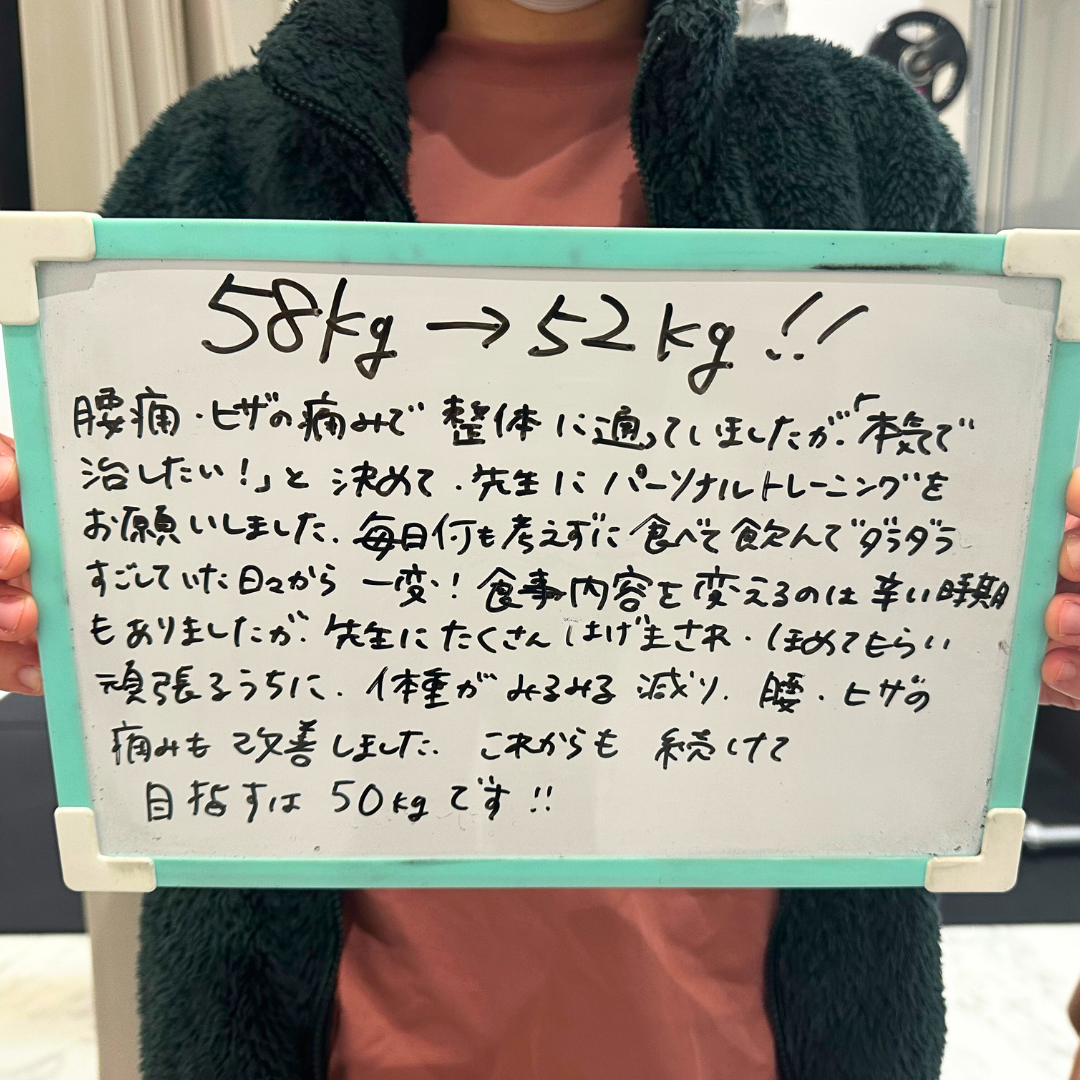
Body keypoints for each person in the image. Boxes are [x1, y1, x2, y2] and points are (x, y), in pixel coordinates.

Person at [3, 0, 1080, 1076]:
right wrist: (58, 587)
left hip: (762, 1043)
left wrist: (1032, 587)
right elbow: (158, 569)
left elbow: (943, 544)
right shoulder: (215, 160)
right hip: (332, 1047)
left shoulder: (855, 136)